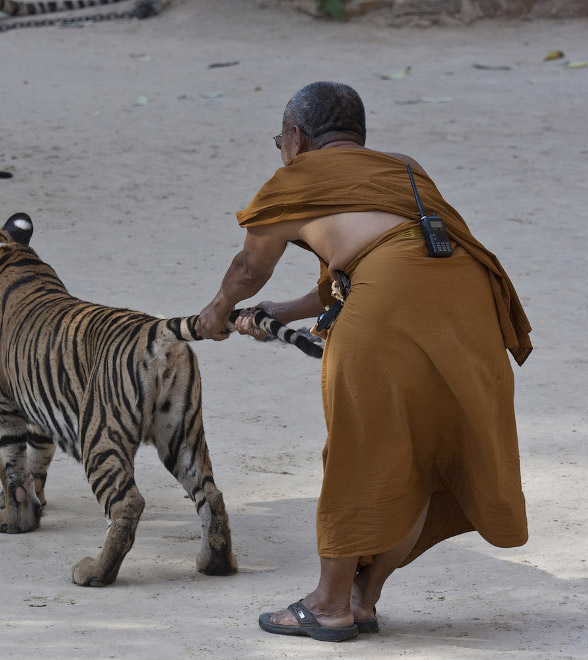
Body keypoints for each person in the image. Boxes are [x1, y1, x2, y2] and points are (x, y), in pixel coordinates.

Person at [195, 81, 531, 642]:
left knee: (362, 449)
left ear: (296, 138)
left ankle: (328, 605)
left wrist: (216, 311)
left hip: (392, 306)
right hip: (469, 308)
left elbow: (248, 269)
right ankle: (362, 598)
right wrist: (291, 310)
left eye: (279, 139)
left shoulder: (294, 177)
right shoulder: (401, 167)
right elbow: (386, 252)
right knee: (423, 457)